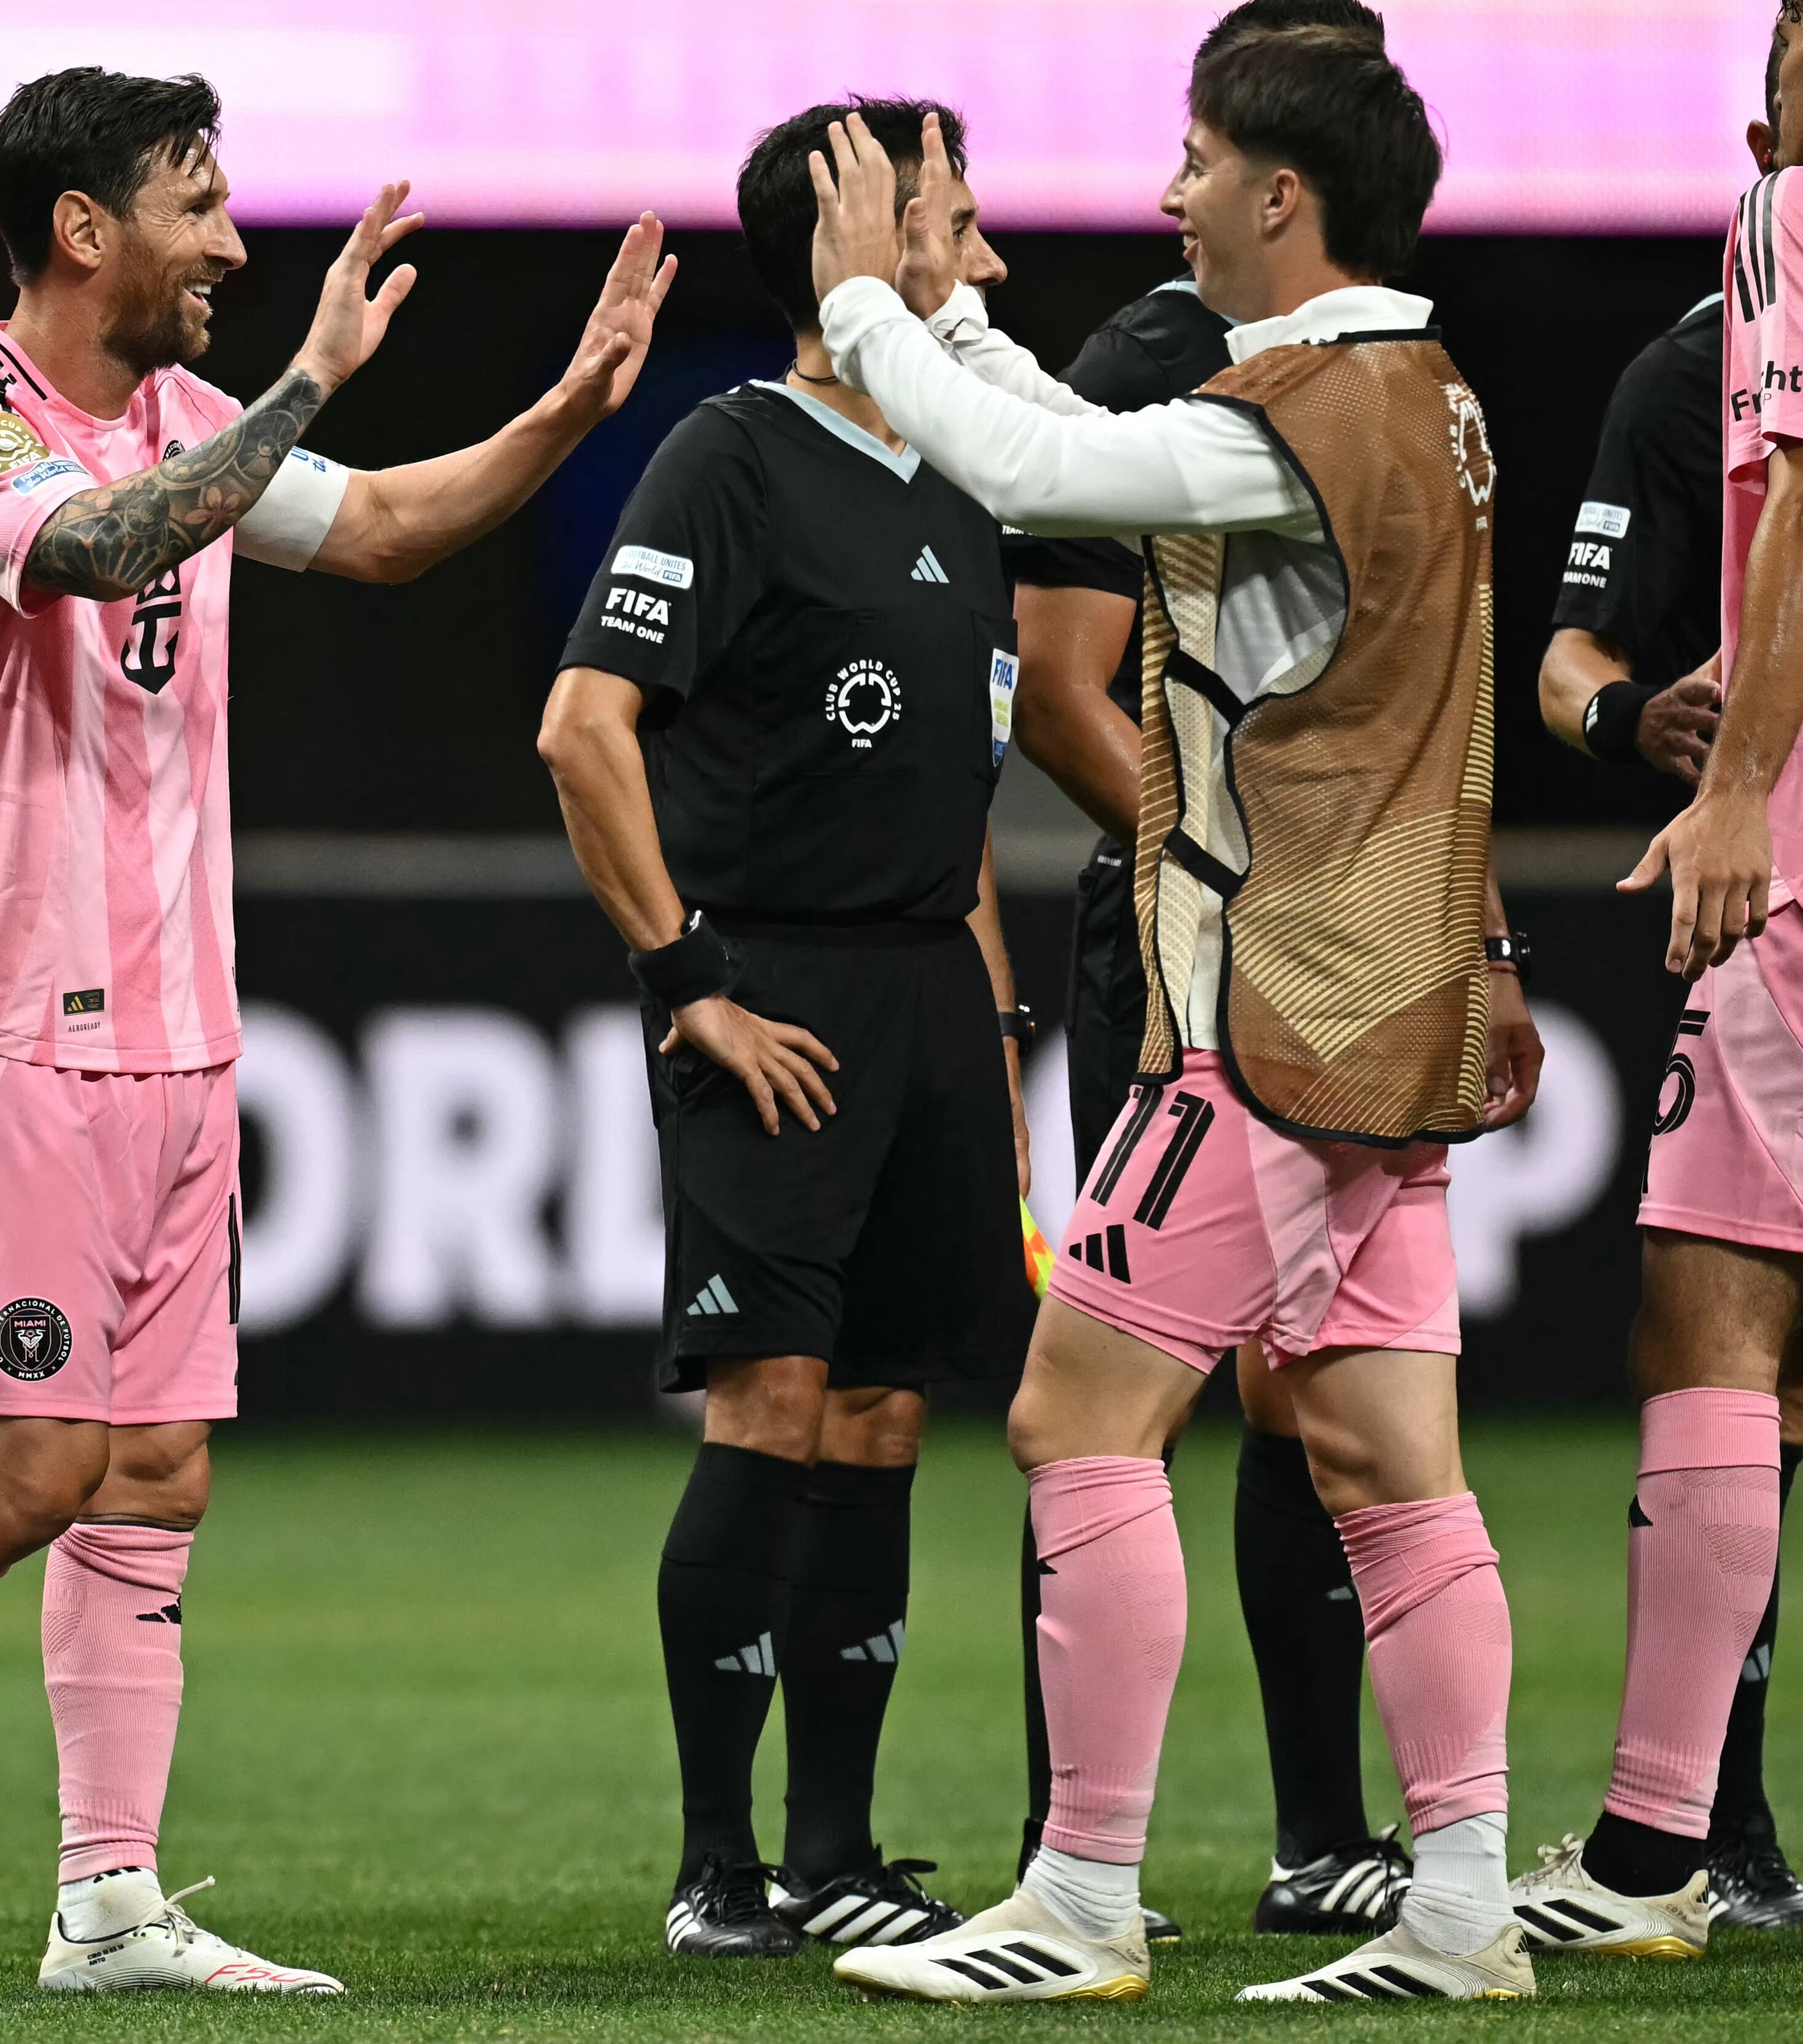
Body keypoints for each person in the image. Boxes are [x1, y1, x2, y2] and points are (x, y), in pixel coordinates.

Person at [0, 66, 675, 1993]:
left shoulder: (193, 415)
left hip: (178, 1030)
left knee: (157, 1468)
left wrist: (558, 415)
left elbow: (371, 537)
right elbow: (111, 547)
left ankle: (110, 1901)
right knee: (26, 1468)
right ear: (86, 228)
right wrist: (316, 382)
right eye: (198, 205)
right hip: (10, 1024)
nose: (236, 244)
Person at [800, 25, 1548, 2005]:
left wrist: (866, 304)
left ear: (1283, 197)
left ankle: (1083, 1900)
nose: (1170, 193)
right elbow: (1084, 436)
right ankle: (1463, 1909)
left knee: (1076, 1416)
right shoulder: (1418, 388)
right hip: (1393, 1016)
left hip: (1280, 1019)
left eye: (1199, 158)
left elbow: (1048, 474)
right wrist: (950, 318)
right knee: (1396, 1464)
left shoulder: (1305, 410)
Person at [538, 98, 1032, 1963]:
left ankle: (838, 1851)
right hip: (777, 990)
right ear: (853, 233)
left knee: (891, 1413)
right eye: (951, 217)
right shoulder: (728, 456)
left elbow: (961, 795)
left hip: (924, 993)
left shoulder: (969, 471)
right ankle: (715, 1867)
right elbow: (585, 729)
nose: (982, 253)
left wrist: (984, 1025)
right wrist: (691, 987)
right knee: (774, 1400)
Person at [1005, 0, 1416, 1946]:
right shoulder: (1201, 368)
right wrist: (1215, 873)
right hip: (1224, 958)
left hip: (1306, 975)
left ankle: (1292, 1844)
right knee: (1183, 1399)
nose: (1171, 190)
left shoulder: (1333, 380)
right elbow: (1062, 688)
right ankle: (1083, 1856)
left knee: (1249, 1404)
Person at [1512, 0, 1803, 1960]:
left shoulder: (1802, 225)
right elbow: (1571, 655)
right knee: (1767, 1357)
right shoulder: (1674, 374)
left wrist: (1738, 793)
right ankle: (1722, 1833)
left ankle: (1654, 1859)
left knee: (1716, 1324)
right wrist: (1637, 712)